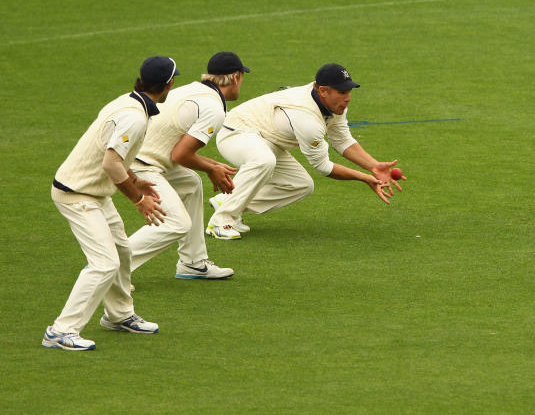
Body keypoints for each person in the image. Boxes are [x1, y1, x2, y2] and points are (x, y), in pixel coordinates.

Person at [43, 56, 176, 351]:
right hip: (77, 194)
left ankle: (119, 315)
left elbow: (113, 156)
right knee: (104, 263)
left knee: (122, 250)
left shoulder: (128, 102)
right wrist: (138, 198)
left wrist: (133, 177)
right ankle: (60, 330)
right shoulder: (134, 116)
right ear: (167, 84)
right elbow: (110, 163)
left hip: (96, 192)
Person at [205, 63, 402, 240]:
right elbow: (323, 167)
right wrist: (364, 178)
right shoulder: (307, 118)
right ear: (323, 91)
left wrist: (373, 166)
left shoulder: (334, 105)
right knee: (264, 161)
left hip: (266, 140)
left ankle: (227, 201)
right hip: (236, 133)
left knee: (301, 185)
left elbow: (342, 140)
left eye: (349, 91)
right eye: (342, 92)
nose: (348, 98)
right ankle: (221, 221)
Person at [127, 52, 250, 281]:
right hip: (142, 164)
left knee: (191, 183)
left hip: (142, 156)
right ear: (235, 78)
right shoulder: (214, 108)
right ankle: (112, 267)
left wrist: (212, 166)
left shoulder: (193, 89)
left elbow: (179, 151)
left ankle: (192, 262)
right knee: (177, 222)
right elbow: (181, 154)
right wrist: (212, 169)